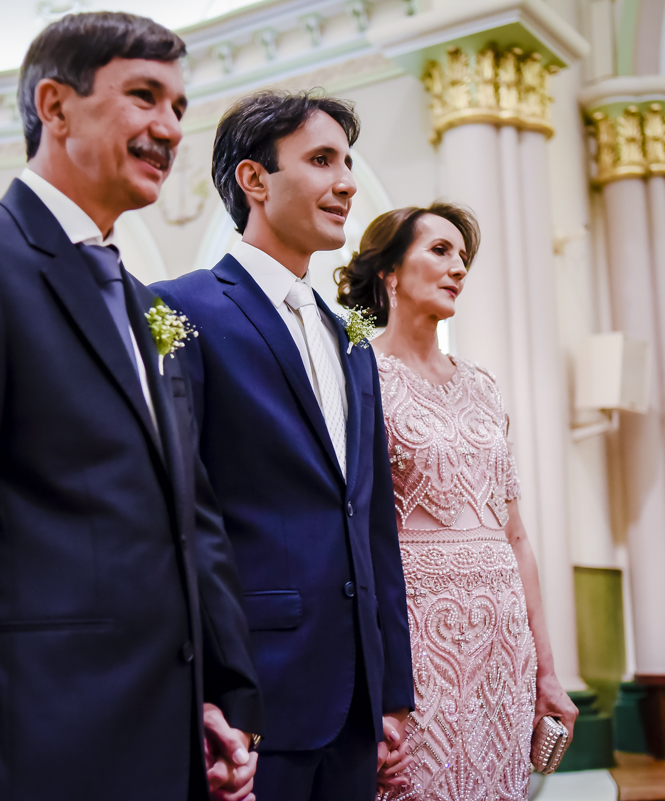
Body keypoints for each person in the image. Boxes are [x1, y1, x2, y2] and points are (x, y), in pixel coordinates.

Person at [0, 13, 260, 801]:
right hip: (32, 747)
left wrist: (213, 696)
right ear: (55, 105)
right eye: (145, 96)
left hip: (159, 739)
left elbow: (184, 516)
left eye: (180, 106)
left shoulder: (138, 303)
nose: (170, 128)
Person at [153, 90, 413, 801]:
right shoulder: (178, 308)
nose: (348, 182)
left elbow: (373, 519)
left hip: (358, 697)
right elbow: (171, 508)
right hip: (254, 694)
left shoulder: (351, 336)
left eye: (349, 162)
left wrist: (392, 688)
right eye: (322, 159)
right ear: (255, 180)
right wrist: (204, 692)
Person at [336, 204, 578, 800]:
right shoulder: (359, 377)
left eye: (462, 257)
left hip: (502, 646)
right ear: (390, 271)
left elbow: (515, 536)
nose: (458, 268)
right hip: (416, 639)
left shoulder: (482, 385)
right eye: (440, 251)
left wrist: (547, 670)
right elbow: (350, 540)